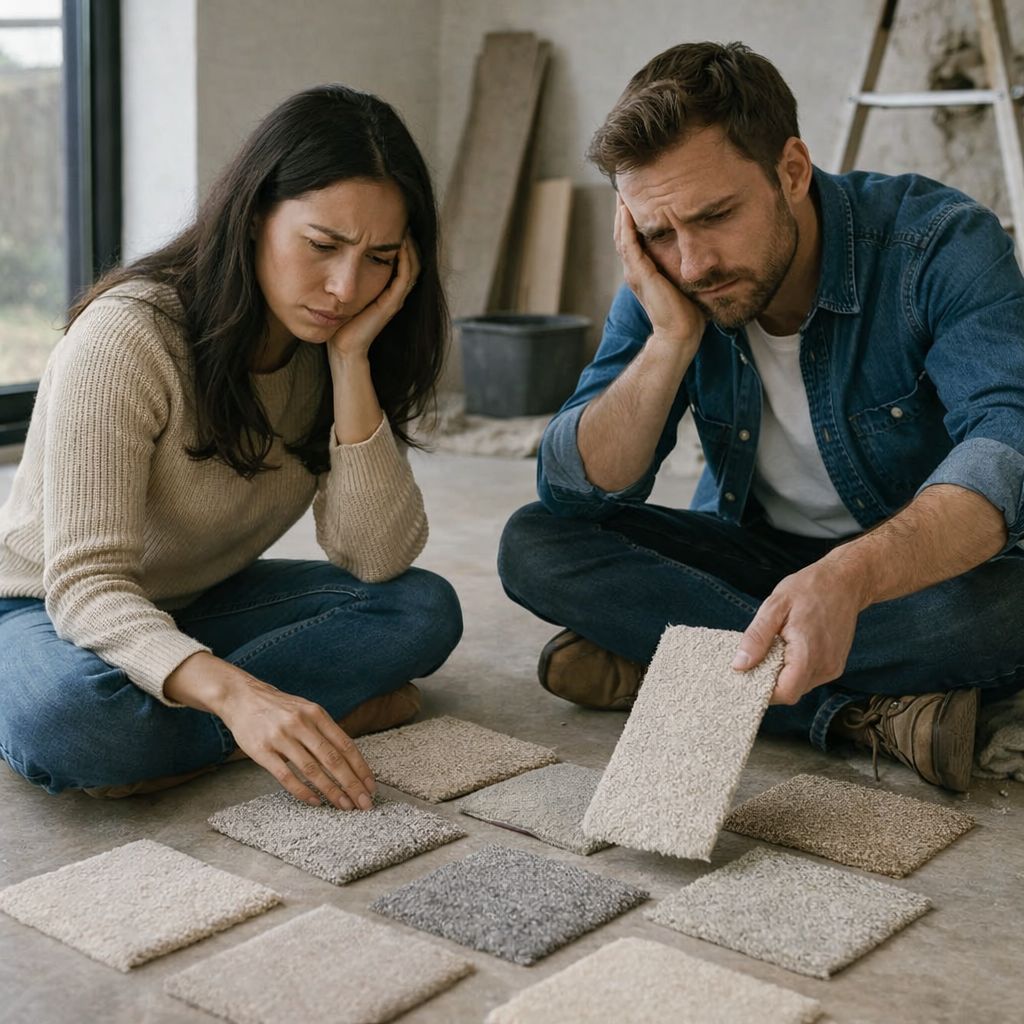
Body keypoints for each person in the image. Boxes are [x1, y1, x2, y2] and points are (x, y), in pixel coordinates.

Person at [498, 42, 1024, 792]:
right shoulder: (673, 280)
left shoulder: (936, 245)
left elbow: (1009, 445)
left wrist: (849, 579)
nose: (692, 263)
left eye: (716, 216)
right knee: (535, 542)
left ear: (792, 171)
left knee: (1005, 611)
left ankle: (672, 658)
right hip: (762, 560)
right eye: (658, 232)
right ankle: (861, 714)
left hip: (922, 574)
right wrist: (671, 340)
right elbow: (576, 489)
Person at [0, 84, 463, 808]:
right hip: (41, 605)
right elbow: (88, 588)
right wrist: (243, 698)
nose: (345, 286)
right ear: (253, 217)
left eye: (380, 257)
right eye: (322, 245)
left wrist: (350, 364)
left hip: (193, 602)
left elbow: (375, 558)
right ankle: (288, 721)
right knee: (73, 722)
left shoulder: (336, 345)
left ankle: (166, 750)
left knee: (422, 609)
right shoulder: (128, 336)